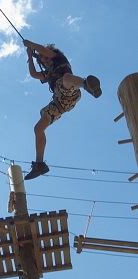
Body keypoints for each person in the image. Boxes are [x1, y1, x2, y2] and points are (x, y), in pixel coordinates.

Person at [22, 39, 102, 180]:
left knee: (66, 78)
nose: (45, 59)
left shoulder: (59, 58)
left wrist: (31, 44)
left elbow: (43, 50)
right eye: (43, 59)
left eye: (46, 56)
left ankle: (86, 84)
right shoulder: (48, 73)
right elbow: (34, 74)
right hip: (59, 104)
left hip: (70, 92)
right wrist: (30, 56)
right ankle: (39, 164)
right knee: (38, 128)